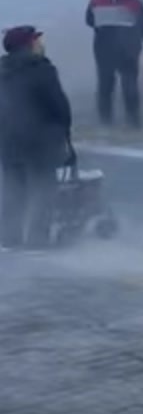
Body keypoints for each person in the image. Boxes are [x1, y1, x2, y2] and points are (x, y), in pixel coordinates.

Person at [0, 26, 72, 250]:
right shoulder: (41, 69)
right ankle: (37, 241)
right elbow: (58, 106)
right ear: (28, 44)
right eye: (37, 40)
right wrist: (64, 130)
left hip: (8, 142)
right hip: (39, 141)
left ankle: (8, 239)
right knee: (43, 189)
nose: (41, 44)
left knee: (14, 190)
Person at [85, 0, 143, 129]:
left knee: (105, 85)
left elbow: (89, 20)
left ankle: (105, 123)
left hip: (103, 46)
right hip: (129, 47)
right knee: (129, 83)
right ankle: (133, 123)